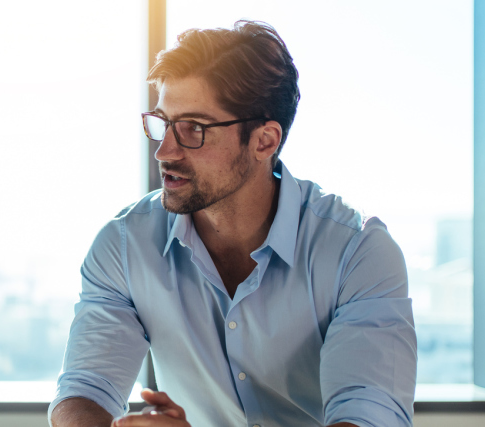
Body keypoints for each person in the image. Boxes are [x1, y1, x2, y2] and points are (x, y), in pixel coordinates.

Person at [50, 21, 416, 427]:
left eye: (194, 129)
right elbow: (85, 389)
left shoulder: (357, 251)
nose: (164, 151)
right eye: (163, 123)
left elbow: (368, 414)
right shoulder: (124, 244)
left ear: (264, 141)